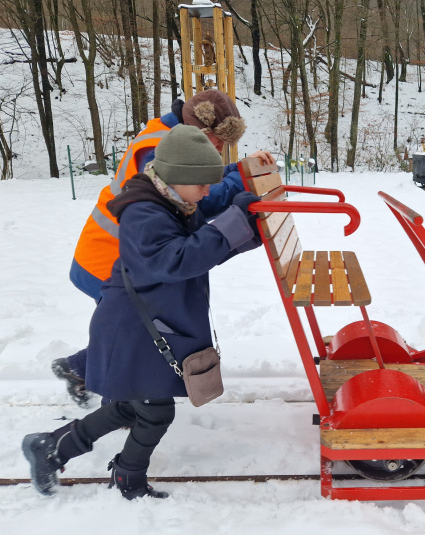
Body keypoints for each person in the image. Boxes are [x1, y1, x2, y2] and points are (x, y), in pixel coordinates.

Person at [23, 124, 263, 499]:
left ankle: (51, 447)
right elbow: (174, 260)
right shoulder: (144, 213)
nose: (206, 192)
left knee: (126, 407)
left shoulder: (175, 202)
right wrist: (233, 225)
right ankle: (127, 475)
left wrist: (247, 230)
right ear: (178, 177)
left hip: (145, 324)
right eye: (201, 183)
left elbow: (198, 252)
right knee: (154, 412)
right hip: (134, 328)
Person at [53, 90, 275, 407]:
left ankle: (81, 371)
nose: (219, 150)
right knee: (130, 332)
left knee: (133, 330)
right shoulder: (159, 147)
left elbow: (202, 184)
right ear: (198, 132)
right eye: (215, 142)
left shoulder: (172, 136)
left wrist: (241, 169)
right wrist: (240, 180)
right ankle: (121, 408)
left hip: (131, 255)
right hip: (111, 257)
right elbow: (202, 199)